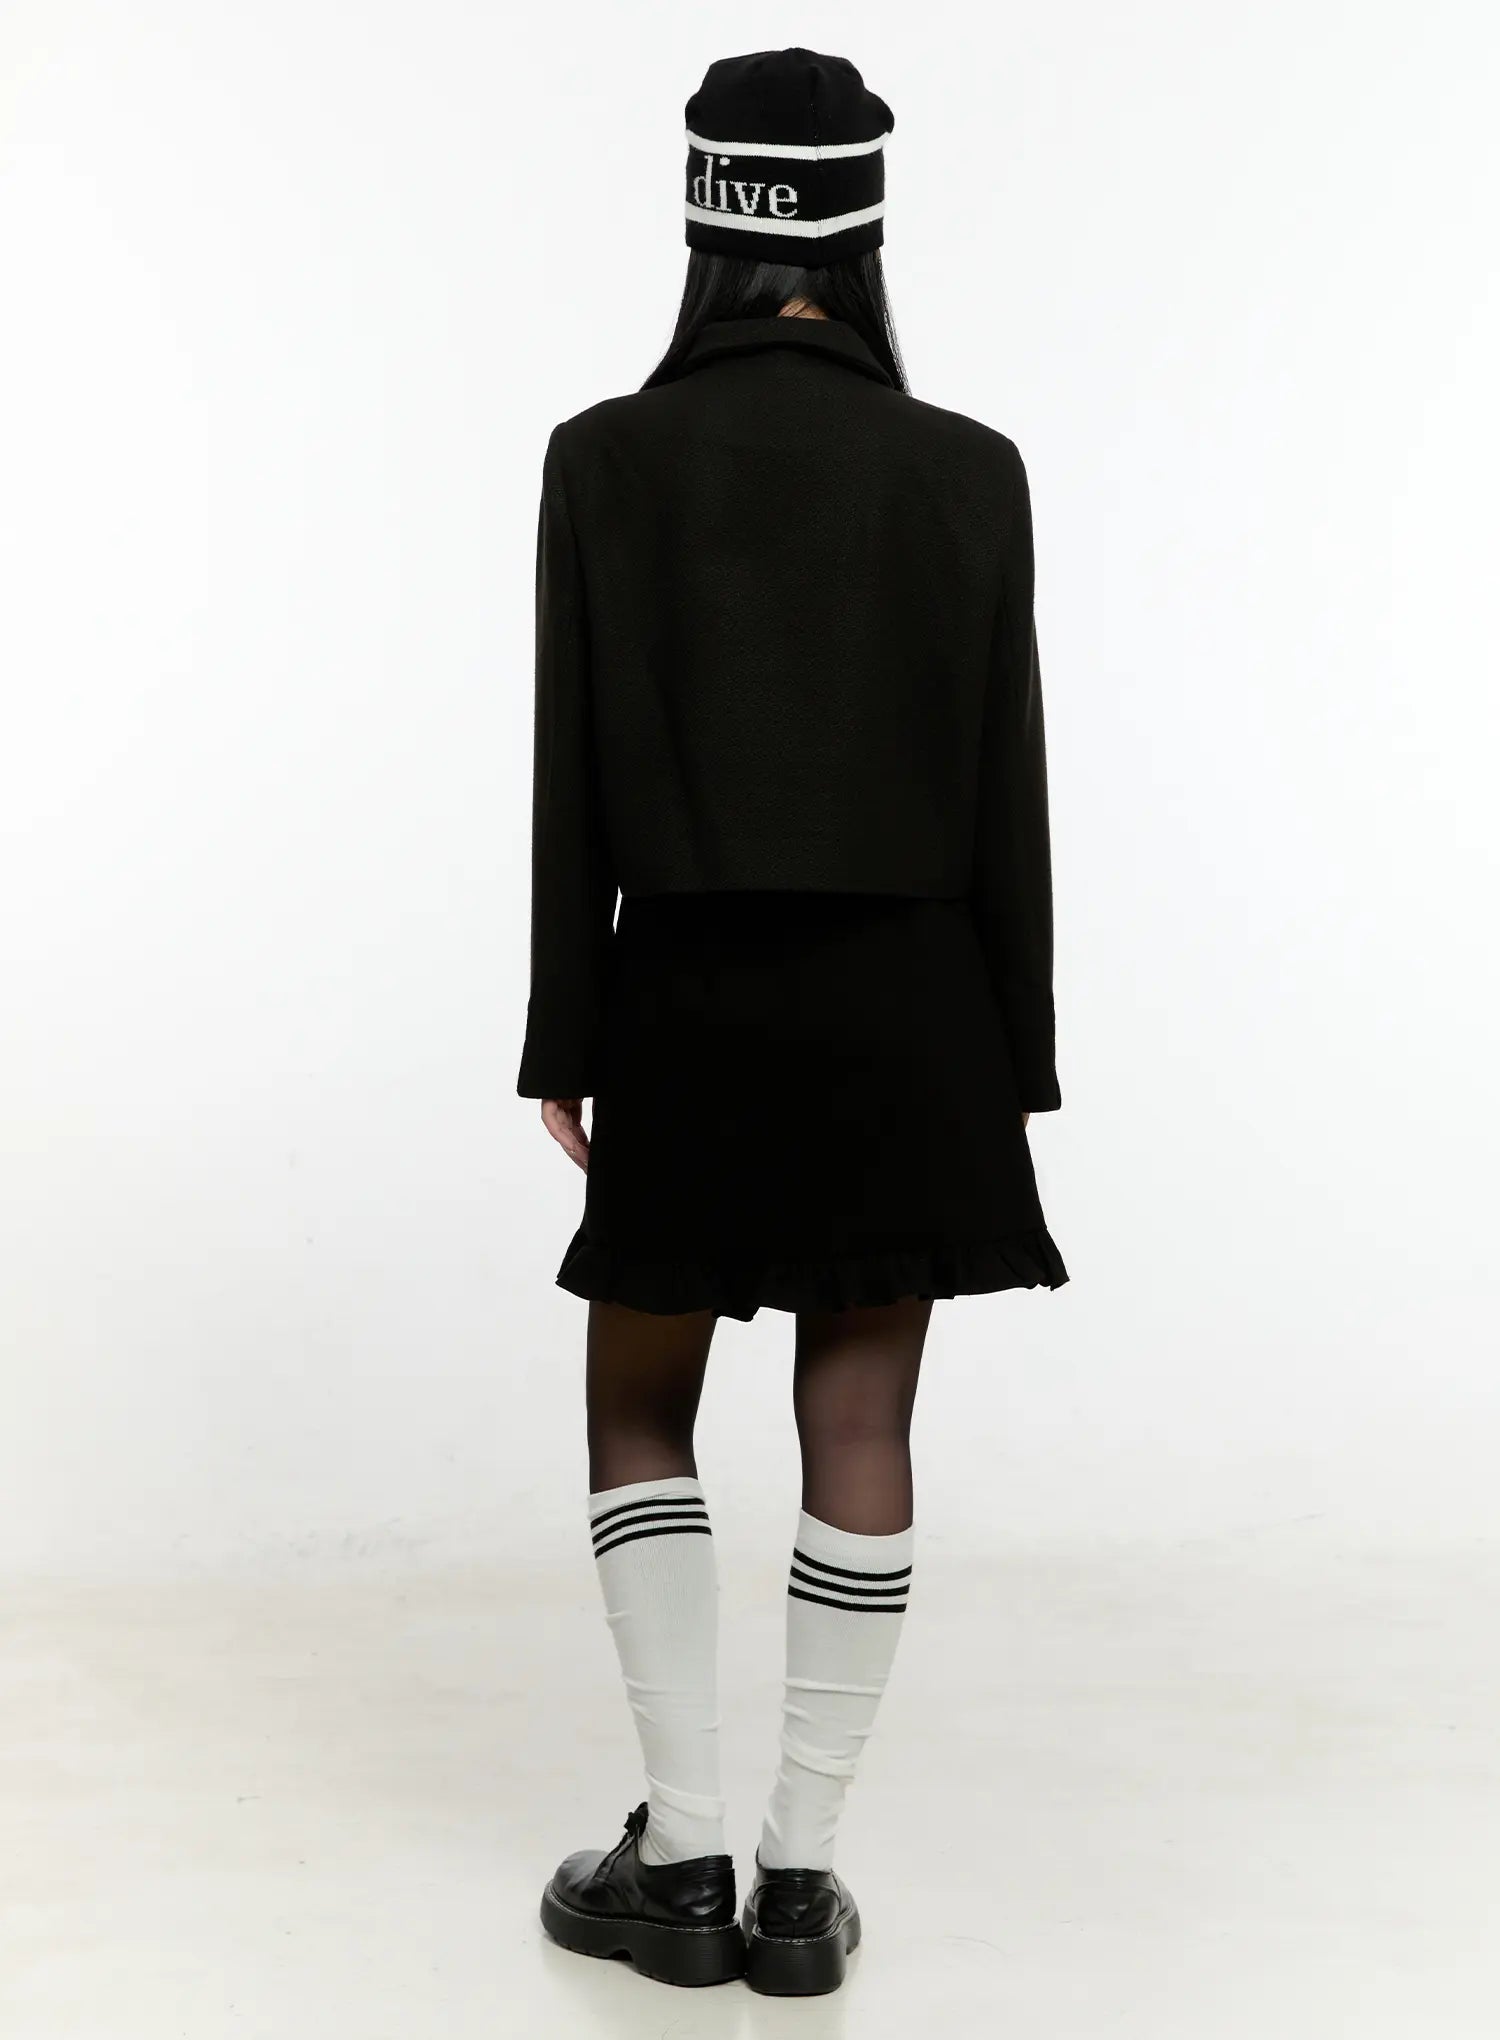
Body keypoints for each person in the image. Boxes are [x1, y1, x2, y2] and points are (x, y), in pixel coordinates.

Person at [519, 47, 1067, 1997]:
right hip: (914, 1006)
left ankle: (675, 1861)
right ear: (861, 234)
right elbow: (1008, 788)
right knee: (860, 1412)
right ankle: (801, 1882)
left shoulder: (606, 458)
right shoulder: (968, 471)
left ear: (709, 226)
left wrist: (564, 1033)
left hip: (687, 989)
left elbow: (570, 776)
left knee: (636, 1404)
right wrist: (1016, 1050)